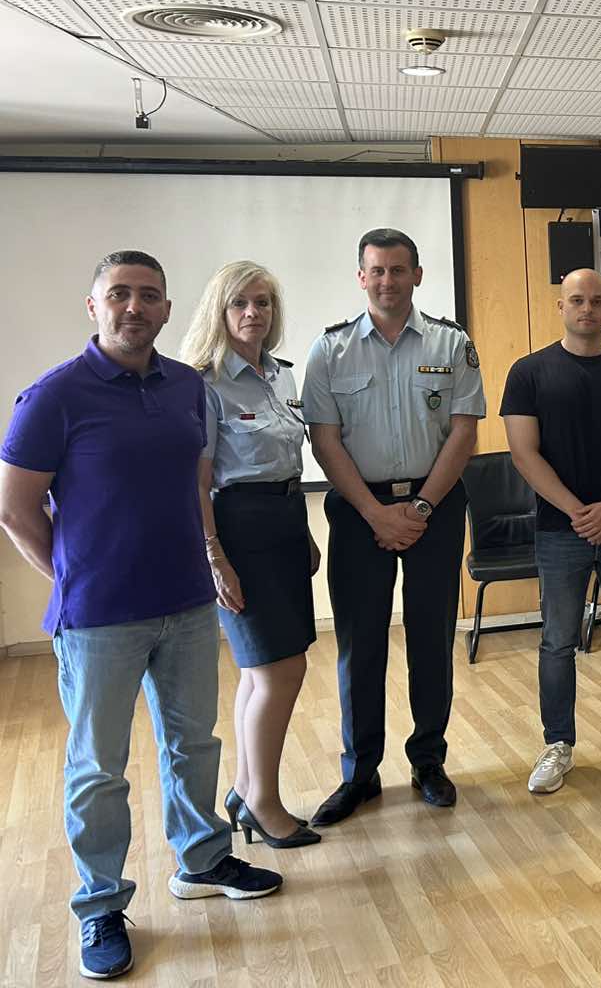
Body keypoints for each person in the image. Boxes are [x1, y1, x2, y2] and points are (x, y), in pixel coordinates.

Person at [0, 251, 282, 982]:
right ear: (93, 305)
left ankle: (203, 859)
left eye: (149, 295)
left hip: (185, 604)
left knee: (193, 744)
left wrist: (209, 560)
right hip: (99, 620)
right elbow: (16, 509)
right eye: (119, 294)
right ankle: (100, 904)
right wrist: (74, 577)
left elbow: (196, 483)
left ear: (166, 310)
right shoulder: (54, 397)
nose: (134, 307)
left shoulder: (187, 386)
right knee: (99, 768)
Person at [301, 228, 485, 824]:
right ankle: (360, 773)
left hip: (435, 505)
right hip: (360, 511)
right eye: (376, 270)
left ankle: (428, 761)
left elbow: (463, 431)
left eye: (398, 270)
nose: (387, 281)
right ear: (361, 277)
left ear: (417, 275)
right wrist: (374, 512)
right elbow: (324, 440)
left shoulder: (452, 343)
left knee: (432, 638)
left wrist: (422, 508)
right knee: (360, 645)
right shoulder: (329, 350)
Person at [502, 269, 601, 794]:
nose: (587, 309)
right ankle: (558, 744)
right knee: (557, 641)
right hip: (559, 530)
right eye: (577, 300)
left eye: (597, 300)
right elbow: (523, 453)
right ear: (561, 306)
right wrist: (580, 513)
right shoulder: (529, 372)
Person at [180, 260, 320, 848]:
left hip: (284, 522)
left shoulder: (281, 376)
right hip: (238, 531)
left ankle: (244, 788)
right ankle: (263, 802)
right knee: (279, 670)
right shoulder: (204, 383)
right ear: (219, 311)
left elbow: (287, 463)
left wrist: (303, 531)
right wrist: (214, 556)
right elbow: (197, 481)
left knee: (259, 672)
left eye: (262, 302)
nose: (252, 313)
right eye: (239, 303)